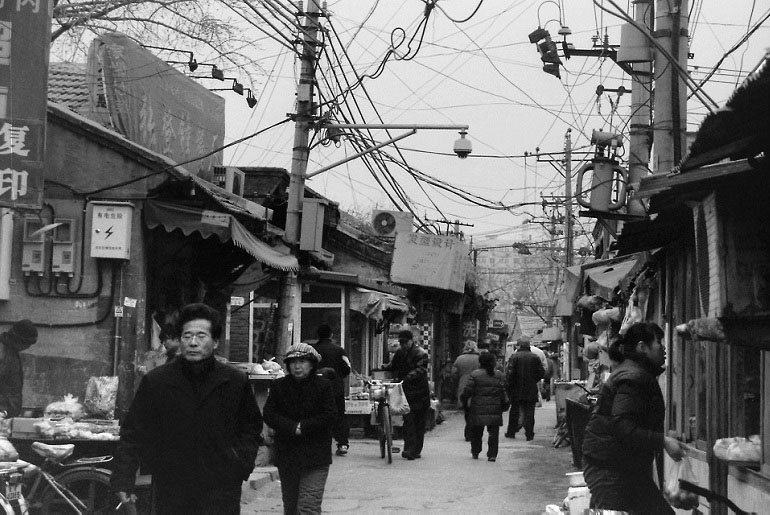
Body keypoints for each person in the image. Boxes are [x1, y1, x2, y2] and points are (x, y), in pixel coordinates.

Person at [111, 303, 263, 514]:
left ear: (216, 342)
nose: (193, 342)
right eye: (187, 336)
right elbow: (134, 432)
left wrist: (239, 465)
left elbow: (251, 428)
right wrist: (123, 479)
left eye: (201, 336)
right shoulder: (157, 382)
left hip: (221, 488)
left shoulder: (234, 382)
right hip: (171, 486)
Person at [582, 322, 687, 513]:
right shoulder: (633, 378)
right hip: (610, 469)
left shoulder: (635, 373)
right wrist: (663, 441)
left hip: (623, 467)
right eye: (659, 343)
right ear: (642, 347)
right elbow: (621, 425)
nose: (664, 349)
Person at [263, 342, 336, 515]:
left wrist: (304, 427)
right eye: (293, 362)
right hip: (287, 455)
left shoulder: (323, 386)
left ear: (312, 364)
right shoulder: (278, 386)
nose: (297, 366)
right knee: (291, 507)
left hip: (316, 456)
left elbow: (330, 415)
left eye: (302, 361)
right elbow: (269, 414)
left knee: (308, 506)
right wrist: (291, 427)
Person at [381, 329, 430, 460]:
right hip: (406, 393)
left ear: (411, 340)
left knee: (419, 423)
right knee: (409, 422)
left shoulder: (421, 354)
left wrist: (408, 377)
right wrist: (384, 367)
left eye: (405, 342)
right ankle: (410, 449)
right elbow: (393, 366)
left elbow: (421, 369)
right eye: (401, 342)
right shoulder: (400, 353)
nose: (403, 345)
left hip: (420, 393)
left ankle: (416, 449)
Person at [460, 351, 508, 462]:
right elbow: (504, 391)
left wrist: (464, 402)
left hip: (478, 407)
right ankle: (492, 454)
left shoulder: (475, 374)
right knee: (493, 434)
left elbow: (467, 391)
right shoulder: (499, 375)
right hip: (495, 408)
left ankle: (475, 451)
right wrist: (504, 405)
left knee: (476, 432)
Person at [311, 324, 351, 456]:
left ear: (318, 335)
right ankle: (343, 444)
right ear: (331, 335)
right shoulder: (339, 350)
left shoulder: (312, 350)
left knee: (318, 414)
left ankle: (318, 443)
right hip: (336, 388)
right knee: (339, 415)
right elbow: (347, 367)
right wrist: (339, 377)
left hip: (316, 388)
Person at [505, 335, 544, 440]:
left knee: (514, 411)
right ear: (529, 345)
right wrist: (533, 380)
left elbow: (509, 373)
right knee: (530, 412)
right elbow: (541, 373)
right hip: (531, 388)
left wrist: (509, 385)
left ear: (519, 345)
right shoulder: (535, 357)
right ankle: (529, 434)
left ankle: (511, 432)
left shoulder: (514, 357)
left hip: (516, 389)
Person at [0, 320, 38, 419]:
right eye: (27, 344)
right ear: (19, 340)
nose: (27, 347)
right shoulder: (3, 353)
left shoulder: (11, 352)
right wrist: (3, 410)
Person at [451, 340, 480, 441]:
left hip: (463, 384)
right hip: (477, 385)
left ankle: (468, 430)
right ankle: (472, 431)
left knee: (467, 409)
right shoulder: (479, 359)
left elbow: (454, 374)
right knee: (475, 409)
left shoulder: (459, 359)